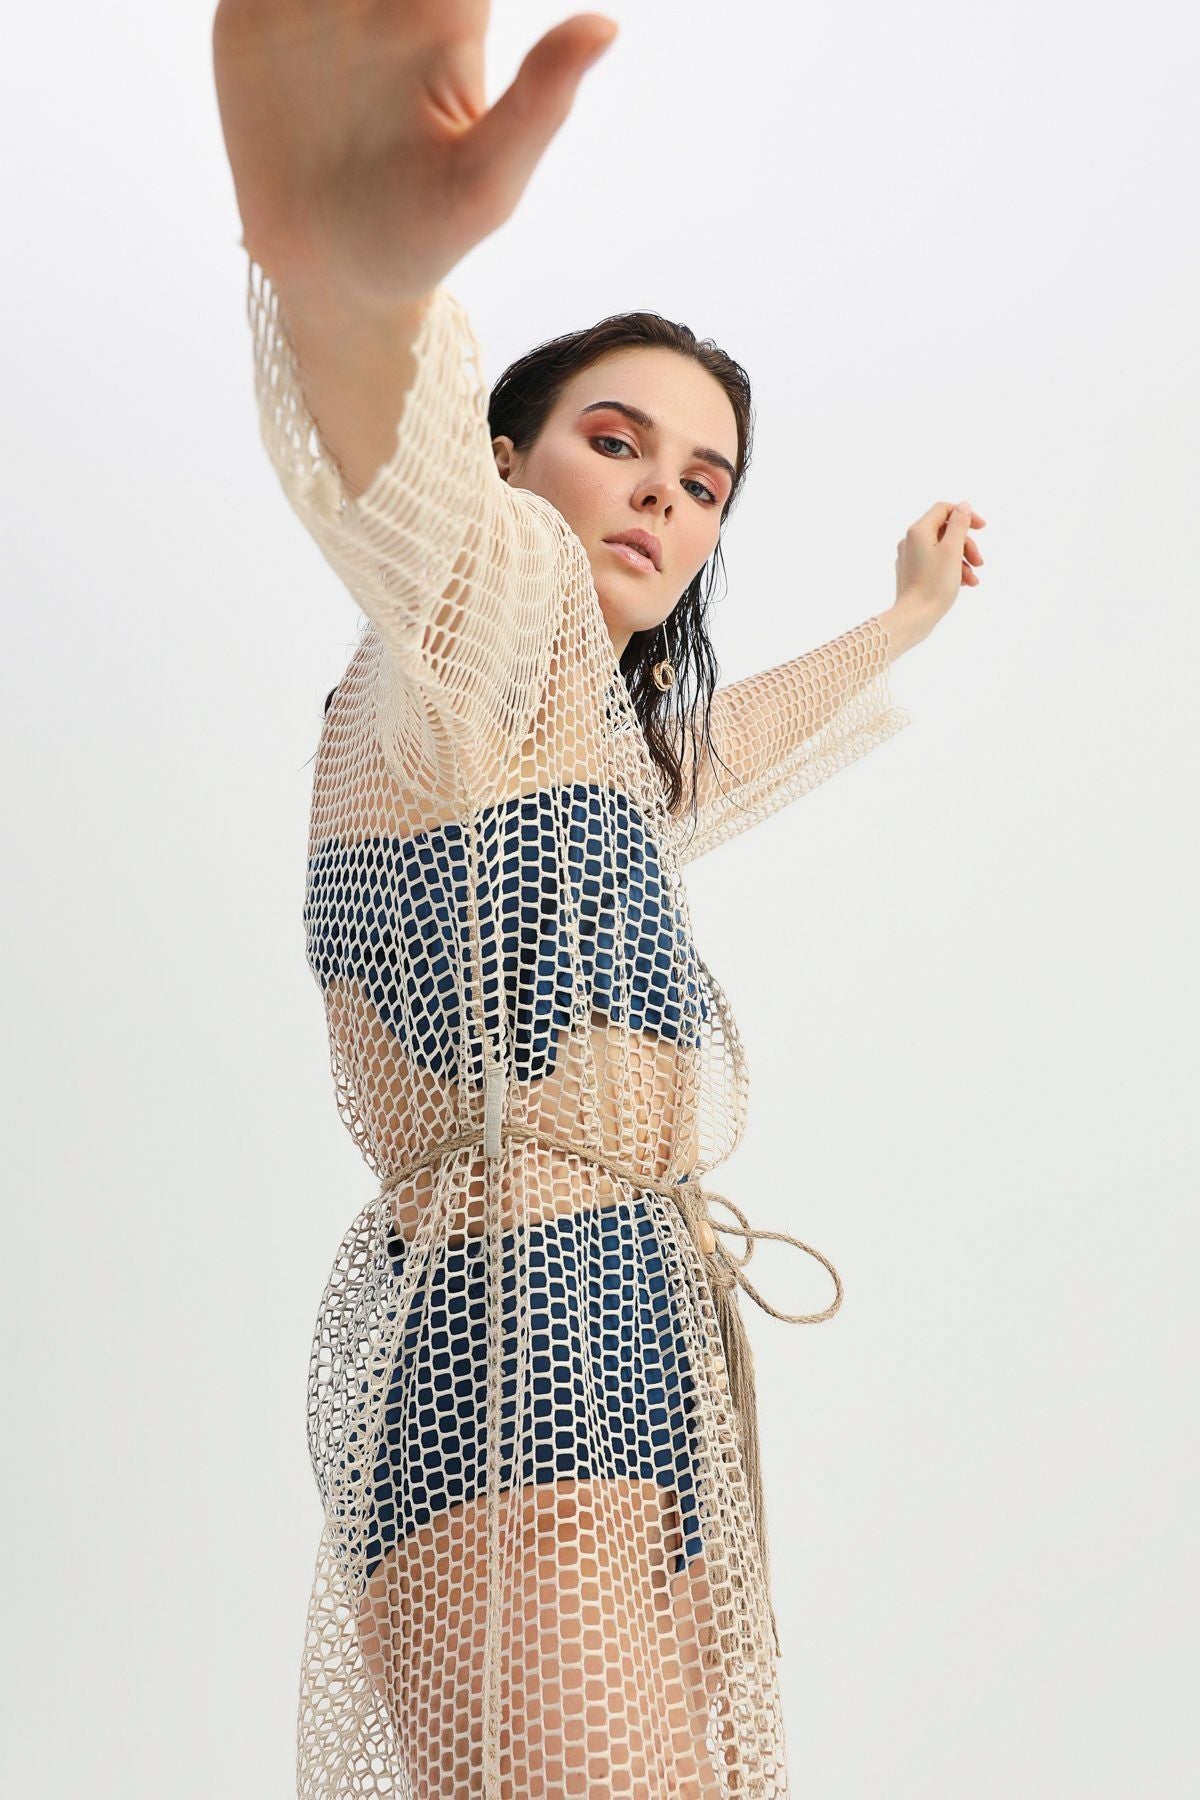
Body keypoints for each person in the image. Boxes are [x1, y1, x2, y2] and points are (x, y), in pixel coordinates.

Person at [212, 4, 986, 1794]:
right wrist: (352, 296)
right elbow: (414, 488)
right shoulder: (489, 615)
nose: (659, 495)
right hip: (517, 1331)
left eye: (702, 484)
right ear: (510, 459)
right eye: (616, 440)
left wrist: (904, 618)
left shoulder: (576, 749)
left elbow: (713, 758)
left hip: (622, 1334)